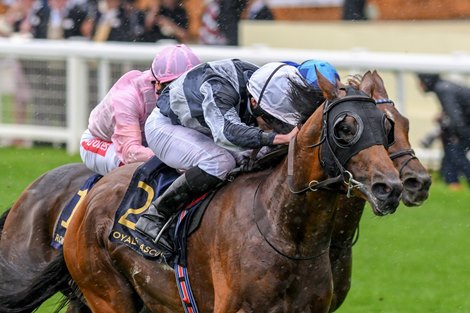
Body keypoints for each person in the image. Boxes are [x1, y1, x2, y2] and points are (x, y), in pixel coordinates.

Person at [135, 60, 322, 247]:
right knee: (219, 162)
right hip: (166, 126)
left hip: (205, 125)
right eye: (272, 119)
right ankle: (155, 216)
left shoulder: (266, 85)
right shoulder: (219, 87)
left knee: (263, 155)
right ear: (255, 101)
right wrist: (280, 138)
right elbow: (227, 132)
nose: (276, 125)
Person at [79, 44, 201, 176]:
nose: (182, 93)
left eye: (188, 85)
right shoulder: (127, 97)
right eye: (174, 85)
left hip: (148, 145)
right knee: (139, 170)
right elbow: (130, 153)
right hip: (103, 144)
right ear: (157, 83)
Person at [417, 73, 470, 190]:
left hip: (466, 124)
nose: (419, 85)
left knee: (456, 153)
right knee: (451, 151)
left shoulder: (442, 89)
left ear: (427, 81)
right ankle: (452, 182)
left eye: (420, 81)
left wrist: (457, 134)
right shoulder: (444, 86)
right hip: (466, 122)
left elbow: (455, 116)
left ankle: (453, 182)